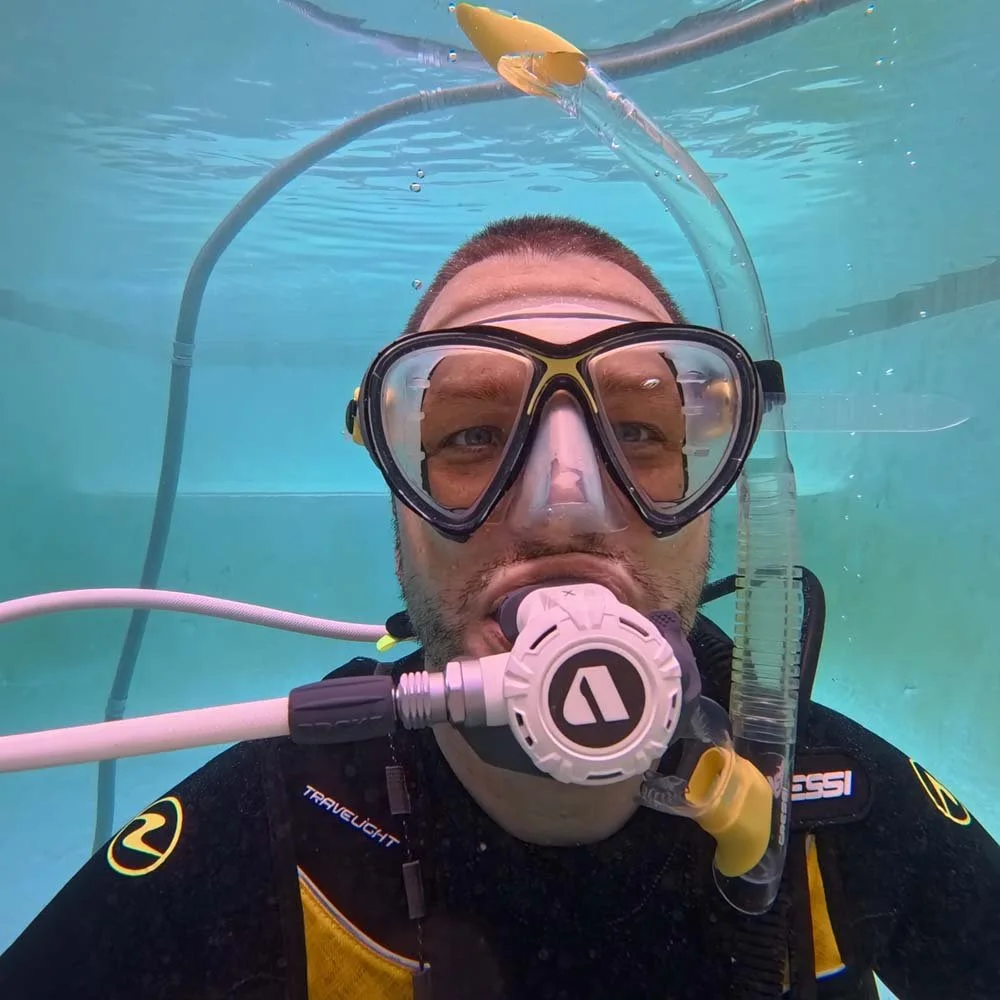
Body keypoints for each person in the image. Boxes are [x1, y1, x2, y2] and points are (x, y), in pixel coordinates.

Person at [0, 214, 997, 1000]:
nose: (564, 501)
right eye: (474, 435)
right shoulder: (269, 838)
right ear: (394, 494)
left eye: (640, 431)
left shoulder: (832, 804)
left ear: (717, 491)